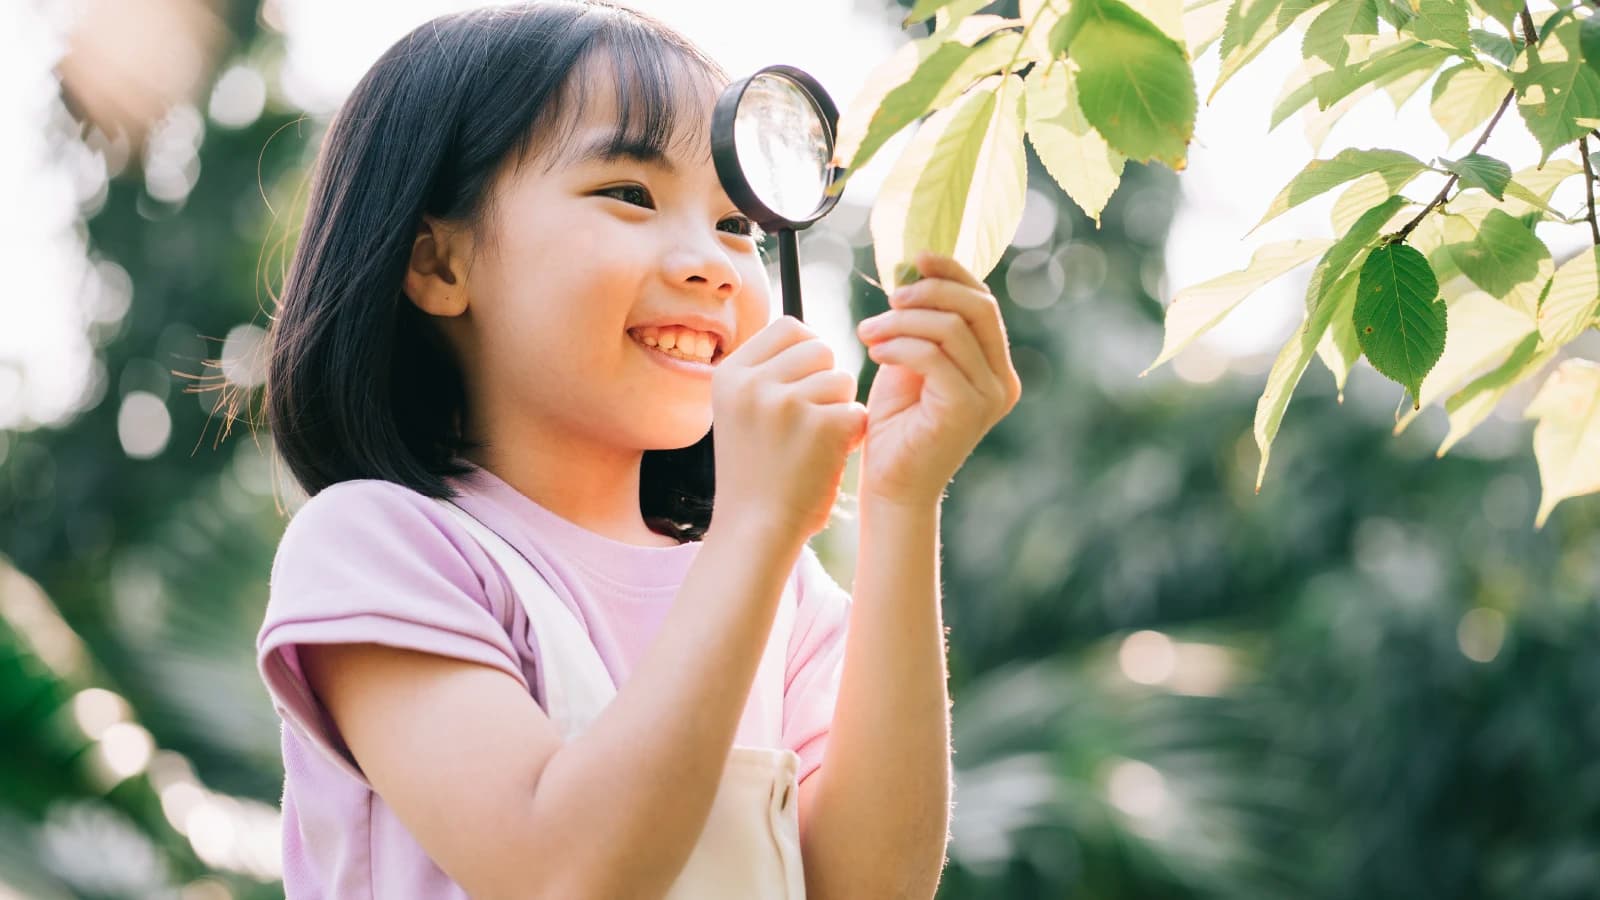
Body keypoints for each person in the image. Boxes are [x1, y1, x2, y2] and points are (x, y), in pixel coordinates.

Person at [253, 1, 1022, 897]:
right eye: (629, 195)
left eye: (738, 224)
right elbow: (561, 871)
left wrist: (901, 500)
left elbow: (868, 885)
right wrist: (754, 527)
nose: (713, 262)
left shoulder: (789, 595)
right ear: (439, 265)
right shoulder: (382, 549)